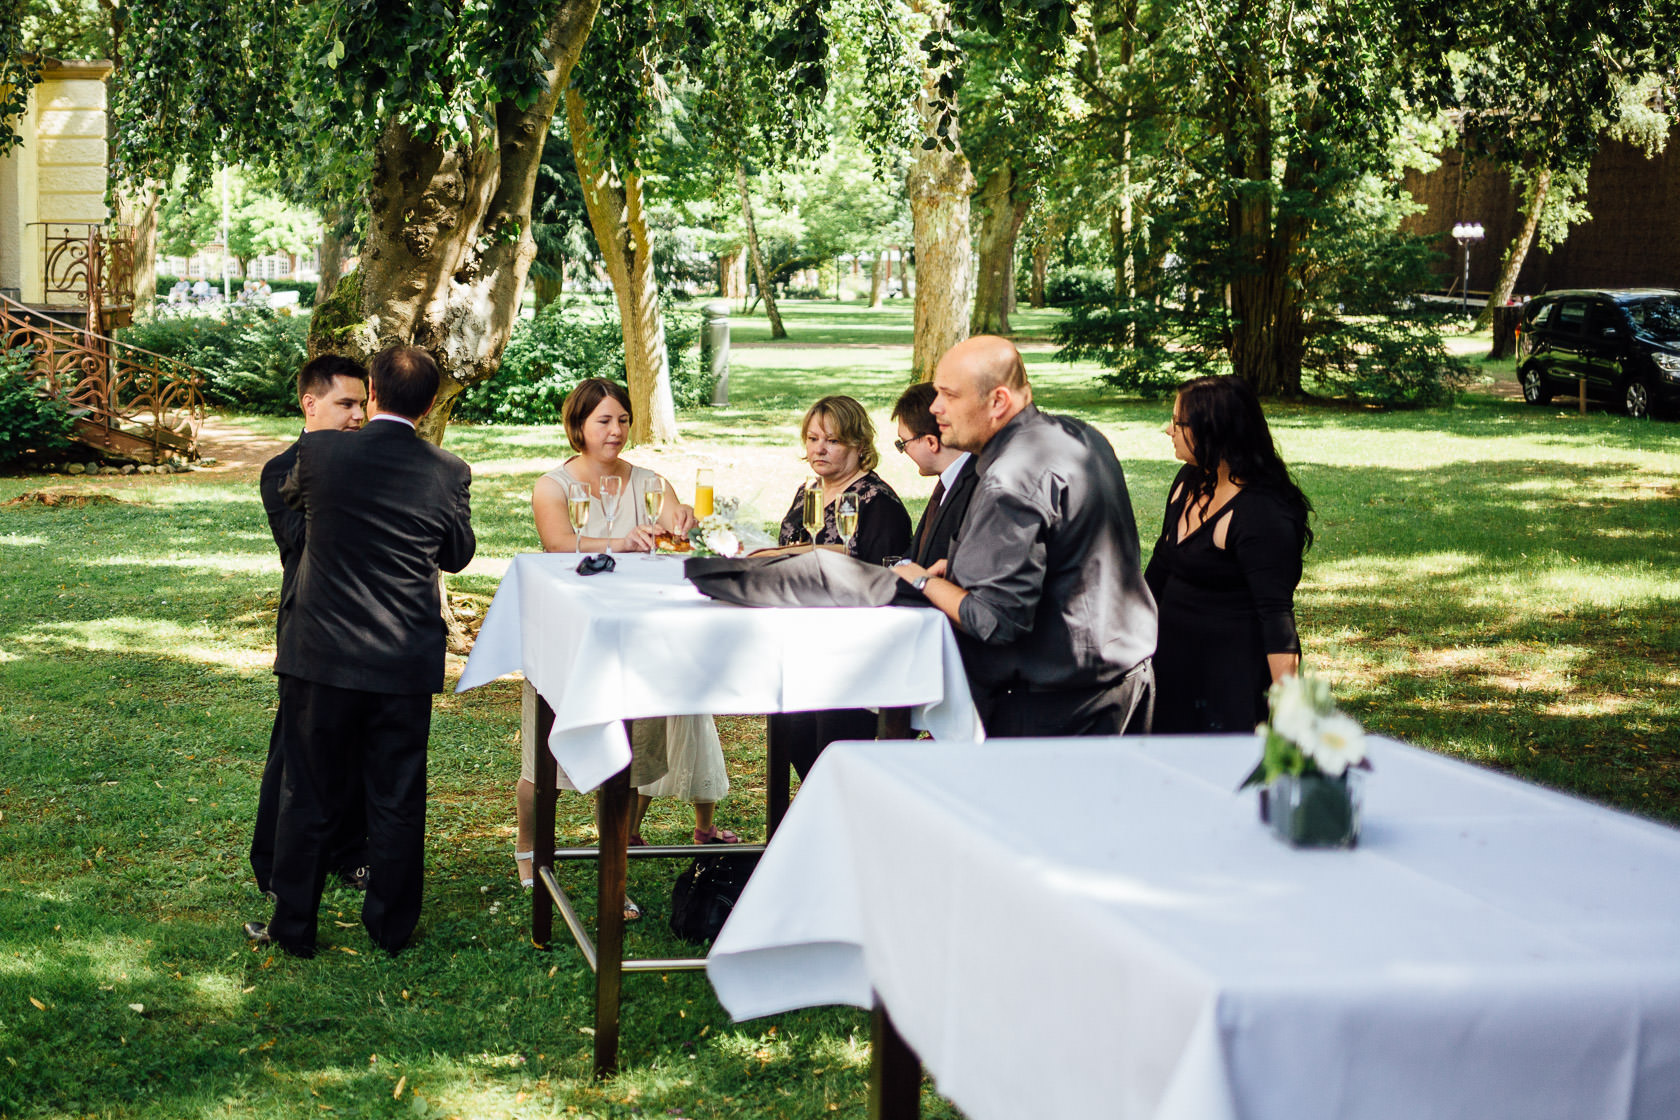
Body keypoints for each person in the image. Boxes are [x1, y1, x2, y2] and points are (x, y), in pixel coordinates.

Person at [247, 345, 475, 957]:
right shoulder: (448, 471)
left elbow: (299, 504)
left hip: (321, 655)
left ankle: (294, 928)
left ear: (372, 393)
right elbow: (456, 553)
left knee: (308, 793)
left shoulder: (319, 454)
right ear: (428, 406)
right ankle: (391, 929)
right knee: (398, 797)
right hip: (403, 660)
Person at [521, 380, 725, 901]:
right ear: (579, 427)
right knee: (543, 755)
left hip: (635, 635)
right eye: (603, 421)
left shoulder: (653, 481)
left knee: (627, 755)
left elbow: (676, 538)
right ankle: (529, 850)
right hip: (569, 630)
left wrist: (682, 525)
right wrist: (622, 541)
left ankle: (615, 866)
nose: (616, 431)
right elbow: (558, 544)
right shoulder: (553, 485)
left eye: (623, 420)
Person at [894, 336, 1157, 737]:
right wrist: (965, 564)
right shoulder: (1080, 434)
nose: (934, 408)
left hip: (1060, 708)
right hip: (1125, 681)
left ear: (998, 401)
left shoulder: (1010, 480)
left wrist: (919, 579)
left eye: (948, 394)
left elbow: (994, 620)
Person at [251, 356, 371, 902]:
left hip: (372, 627)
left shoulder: (374, 461)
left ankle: (351, 854)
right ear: (310, 404)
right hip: (310, 629)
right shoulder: (282, 469)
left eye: (363, 405)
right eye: (346, 404)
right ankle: (275, 860)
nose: (356, 416)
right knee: (296, 748)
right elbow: (302, 545)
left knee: (362, 747)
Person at [1145, 375, 1312, 733]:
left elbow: (1276, 620)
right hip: (1171, 667)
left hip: (1227, 681)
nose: (1168, 430)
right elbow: (1159, 570)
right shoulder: (1188, 481)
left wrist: (1288, 717)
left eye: (1178, 423)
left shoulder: (1262, 514)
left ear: (1213, 430)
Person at [765, 395, 913, 778]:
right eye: (813, 438)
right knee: (796, 741)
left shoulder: (877, 502)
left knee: (835, 751)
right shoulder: (808, 493)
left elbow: (881, 579)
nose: (819, 448)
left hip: (851, 653)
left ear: (859, 445)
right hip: (802, 642)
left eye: (831, 440)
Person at [891, 380, 977, 568]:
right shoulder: (948, 480)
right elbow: (920, 550)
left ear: (931, 442)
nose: (904, 451)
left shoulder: (978, 487)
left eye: (903, 443)